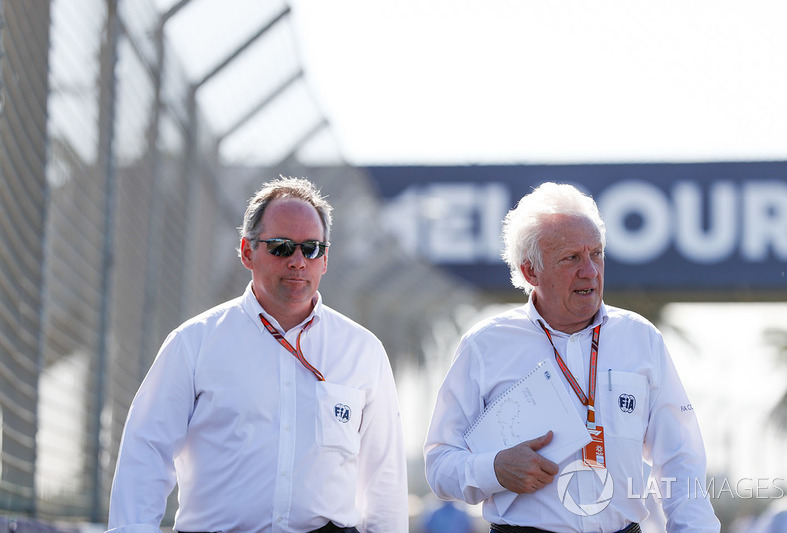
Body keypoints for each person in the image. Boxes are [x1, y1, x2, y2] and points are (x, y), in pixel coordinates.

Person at [107, 177, 408, 533]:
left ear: (325, 259)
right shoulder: (193, 343)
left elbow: (384, 477)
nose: (298, 261)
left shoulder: (363, 351)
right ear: (247, 252)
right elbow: (146, 452)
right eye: (281, 247)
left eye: (311, 249)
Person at [423, 182, 720, 533]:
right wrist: (494, 469)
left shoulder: (641, 339)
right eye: (571, 258)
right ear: (531, 271)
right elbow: (439, 464)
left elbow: (679, 460)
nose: (590, 271)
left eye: (596, 253)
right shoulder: (485, 345)